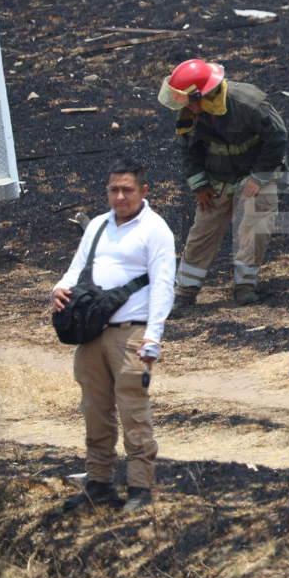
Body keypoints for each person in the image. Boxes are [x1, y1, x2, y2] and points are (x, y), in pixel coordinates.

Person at [51, 160, 175, 511]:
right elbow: (77, 267)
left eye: (127, 190)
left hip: (132, 334)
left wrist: (153, 336)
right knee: (94, 410)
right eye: (113, 190)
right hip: (91, 336)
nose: (120, 197)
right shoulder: (98, 226)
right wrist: (59, 289)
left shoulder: (156, 230)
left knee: (133, 410)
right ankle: (99, 485)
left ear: (144, 191)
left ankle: (140, 490)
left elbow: (164, 286)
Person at [158, 59, 289, 309]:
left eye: (190, 101)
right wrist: (199, 185)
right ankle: (185, 291)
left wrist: (259, 177)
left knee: (254, 223)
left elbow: (278, 136)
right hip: (218, 178)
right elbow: (189, 150)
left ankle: (244, 286)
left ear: (206, 94)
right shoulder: (189, 111)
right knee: (202, 231)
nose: (185, 106)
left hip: (257, 173)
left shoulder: (249, 102)